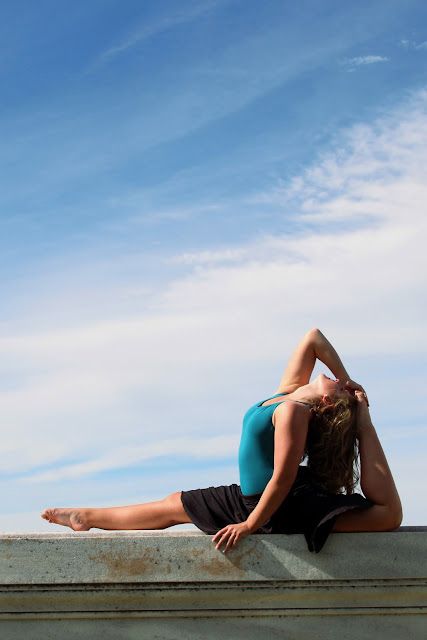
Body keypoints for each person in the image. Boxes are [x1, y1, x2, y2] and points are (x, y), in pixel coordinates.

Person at [41, 328, 402, 553]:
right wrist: (350, 379)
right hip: (250, 497)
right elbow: (313, 337)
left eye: (338, 388)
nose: (338, 382)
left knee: (388, 515)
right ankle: (84, 515)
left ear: (325, 402)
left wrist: (249, 525)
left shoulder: (296, 412)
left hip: (270, 507)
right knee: (171, 505)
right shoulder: (287, 394)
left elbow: (283, 478)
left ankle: (367, 428)